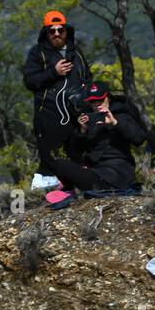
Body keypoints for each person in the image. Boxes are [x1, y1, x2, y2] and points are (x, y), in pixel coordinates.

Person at [45, 82, 148, 207]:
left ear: (108, 98)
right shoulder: (90, 119)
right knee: (56, 163)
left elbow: (139, 139)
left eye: (100, 100)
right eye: (93, 101)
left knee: (63, 166)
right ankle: (69, 191)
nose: (97, 104)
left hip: (117, 175)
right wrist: (82, 131)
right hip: (96, 173)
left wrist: (115, 123)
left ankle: (70, 192)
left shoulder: (121, 116)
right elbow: (74, 153)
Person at [22, 10, 92, 184]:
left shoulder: (76, 52)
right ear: (45, 33)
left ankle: (76, 189)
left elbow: (88, 78)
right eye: (51, 31)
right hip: (49, 118)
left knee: (77, 155)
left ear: (67, 30)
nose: (56, 34)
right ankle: (43, 196)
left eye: (60, 30)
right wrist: (54, 72)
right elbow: (30, 82)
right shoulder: (37, 53)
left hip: (76, 117)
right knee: (50, 160)